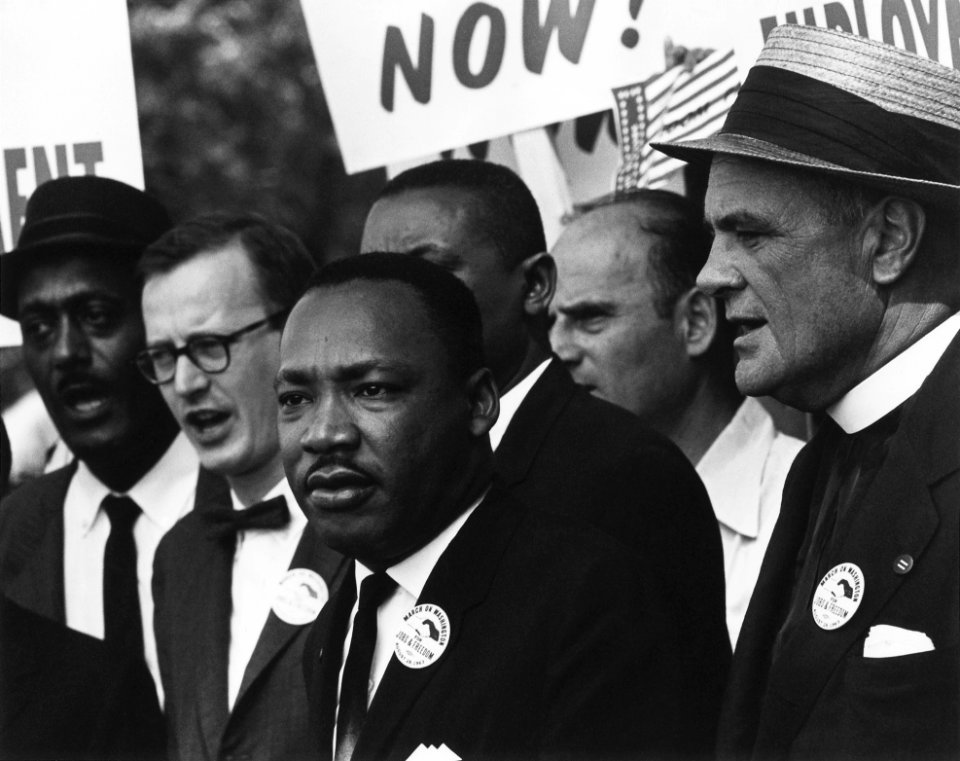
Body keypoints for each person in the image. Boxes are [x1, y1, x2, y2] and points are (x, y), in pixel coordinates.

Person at [655, 24, 960, 760]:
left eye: (751, 234)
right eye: (713, 235)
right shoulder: (824, 459)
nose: (710, 274)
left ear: (888, 240)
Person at [360, 159, 729, 756]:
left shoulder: (624, 470)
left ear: (535, 286)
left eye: (429, 272)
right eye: (374, 275)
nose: (389, 304)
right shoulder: (394, 476)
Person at [278, 252, 687, 761]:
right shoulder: (337, 621)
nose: (323, 433)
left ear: (477, 404)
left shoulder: (585, 599)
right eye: (295, 399)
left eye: (373, 390)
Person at [0, 175, 202, 760]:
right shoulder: (12, 534)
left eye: (95, 314)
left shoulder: (263, 506)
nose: (66, 352)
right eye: (38, 328)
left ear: (161, 326)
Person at [550, 189, 804, 645]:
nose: (559, 349)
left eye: (589, 318)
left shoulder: (808, 504)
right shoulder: (552, 516)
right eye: (549, 323)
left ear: (696, 322)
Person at [138, 213, 347, 761]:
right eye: (163, 356)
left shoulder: (379, 529)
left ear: (298, 329)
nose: (185, 383)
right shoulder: (178, 557)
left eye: (210, 345)